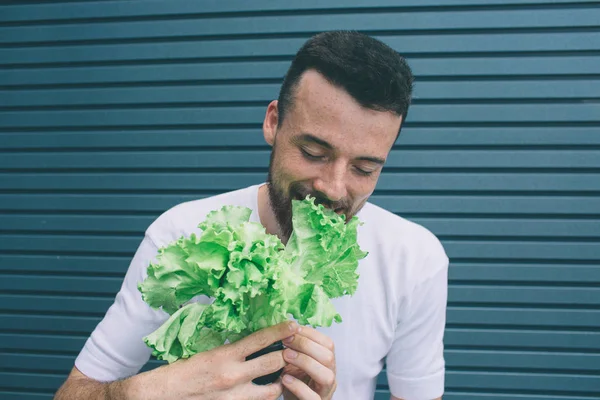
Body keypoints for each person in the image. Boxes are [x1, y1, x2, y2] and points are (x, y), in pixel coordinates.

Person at [54, 30, 449, 400]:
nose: (333, 187)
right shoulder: (180, 234)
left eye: (364, 168)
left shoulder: (414, 258)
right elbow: (75, 390)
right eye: (313, 153)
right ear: (273, 122)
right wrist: (152, 390)